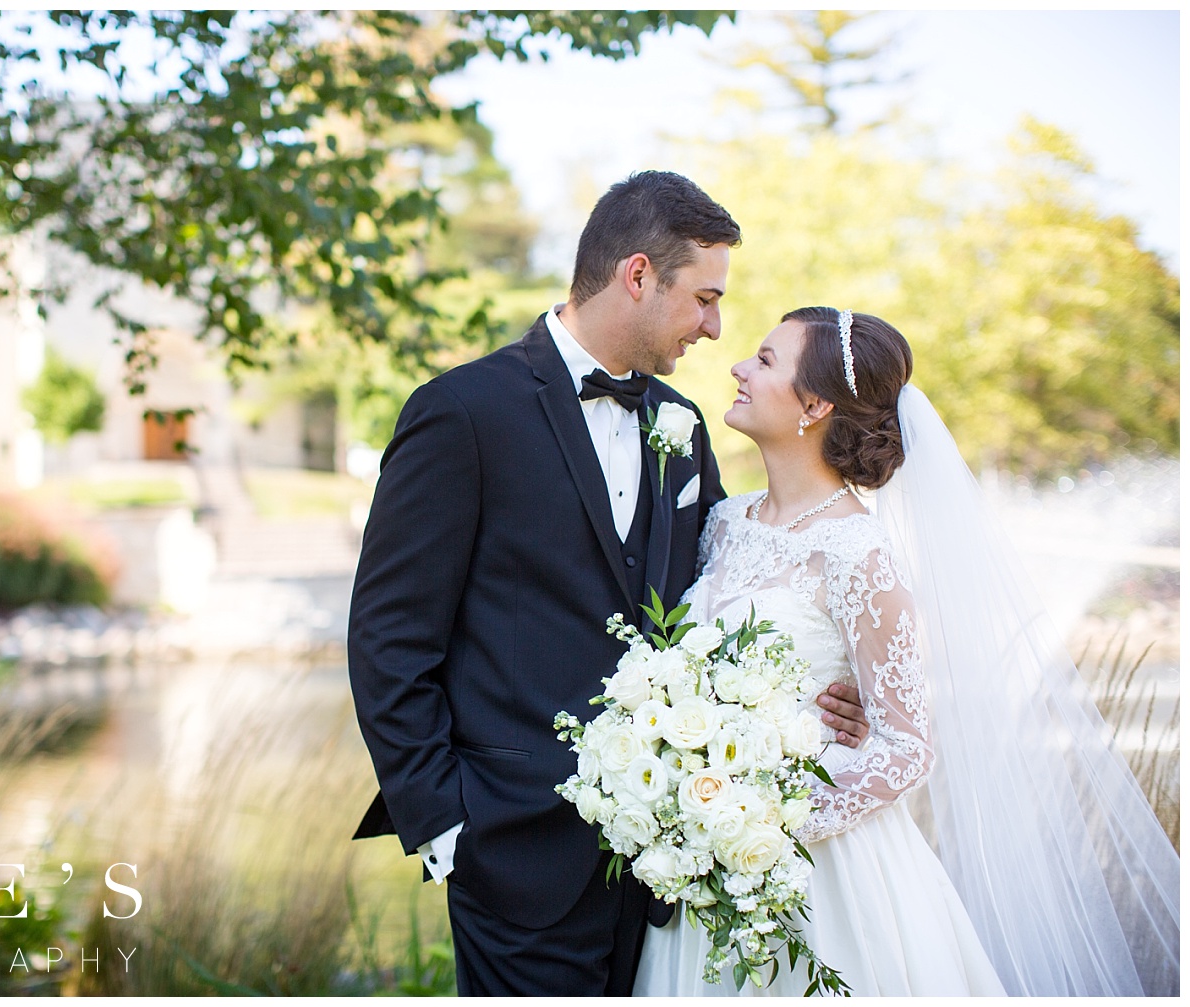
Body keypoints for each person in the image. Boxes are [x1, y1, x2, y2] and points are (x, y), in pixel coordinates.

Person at [347, 173, 871, 997]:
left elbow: (717, 611)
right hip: (511, 850)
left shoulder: (683, 424)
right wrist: (446, 825)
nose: (715, 325)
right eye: (703, 297)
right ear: (637, 276)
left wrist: (825, 694)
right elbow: (390, 636)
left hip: (668, 871)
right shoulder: (462, 412)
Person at [633, 307, 1179, 996]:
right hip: (707, 853)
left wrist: (766, 823)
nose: (740, 366)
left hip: (810, 867)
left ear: (814, 403)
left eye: (766, 359)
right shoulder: (723, 522)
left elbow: (907, 746)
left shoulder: (859, 551)